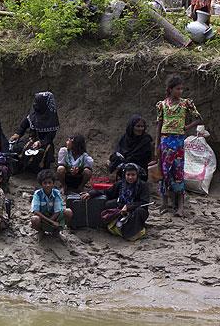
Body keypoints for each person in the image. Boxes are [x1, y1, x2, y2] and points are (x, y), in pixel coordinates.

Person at [156, 74, 202, 216]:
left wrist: (186, 128)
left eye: (182, 89)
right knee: (164, 172)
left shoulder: (186, 103)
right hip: (165, 141)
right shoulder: (162, 105)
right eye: (177, 89)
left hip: (178, 142)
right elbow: (159, 125)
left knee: (178, 172)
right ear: (170, 89)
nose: (180, 91)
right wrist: (156, 145)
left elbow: (199, 119)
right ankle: (165, 203)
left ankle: (180, 206)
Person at [81, 163, 151, 241]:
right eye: (128, 175)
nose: (130, 177)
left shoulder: (143, 185)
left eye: (133, 175)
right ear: (124, 175)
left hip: (135, 210)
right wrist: (91, 193)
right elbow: (108, 192)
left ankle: (130, 233)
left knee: (140, 211)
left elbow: (144, 202)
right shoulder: (120, 183)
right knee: (108, 204)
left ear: (137, 175)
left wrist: (129, 207)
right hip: (121, 208)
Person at [11, 91, 59, 171]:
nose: (35, 104)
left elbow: (50, 136)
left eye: (38, 102)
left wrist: (40, 142)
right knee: (16, 147)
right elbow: (24, 125)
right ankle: (19, 168)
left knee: (42, 153)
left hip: (45, 142)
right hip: (31, 139)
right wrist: (17, 134)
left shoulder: (52, 118)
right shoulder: (34, 113)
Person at [109, 115, 154, 181]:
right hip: (124, 164)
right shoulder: (125, 138)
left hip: (139, 168)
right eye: (138, 126)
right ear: (132, 127)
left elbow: (141, 157)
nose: (140, 129)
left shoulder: (146, 139)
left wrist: (124, 162)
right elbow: (118, 151)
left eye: (142, 126)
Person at [30, 169, 72, 237]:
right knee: (34, 219)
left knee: (68, 212)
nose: (48, 185)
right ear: (41, 184)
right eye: (45, 183)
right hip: (43, 218)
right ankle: (41, 232)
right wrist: (51, 222)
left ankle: (56, 232)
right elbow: (36, 211)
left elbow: (57, 211)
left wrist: (52, 221)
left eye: (50, 182)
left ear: (53, 183)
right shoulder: (37, 194)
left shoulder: (56, 193)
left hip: (54, 217)